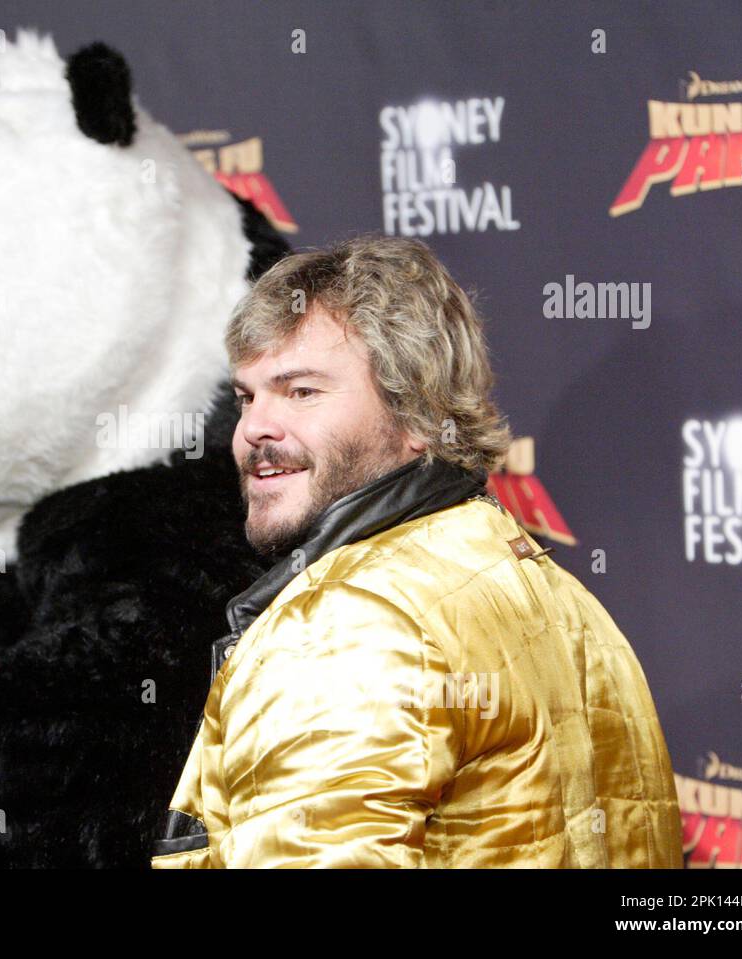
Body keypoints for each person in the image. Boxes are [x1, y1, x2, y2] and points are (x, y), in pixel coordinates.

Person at [150, 235, 682, 868]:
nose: (253, 429)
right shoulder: (556, 594)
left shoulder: (346, 627)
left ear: (418, 416)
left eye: (302, 392)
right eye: (247, 396)